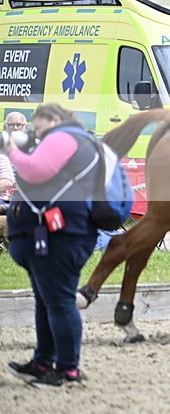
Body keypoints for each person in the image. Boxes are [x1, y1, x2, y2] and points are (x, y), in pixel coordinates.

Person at [4, 103, 100, 387]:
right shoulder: (72, 139)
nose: (36, 132)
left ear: (55, 120)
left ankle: (67, 370)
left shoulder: (64, 138)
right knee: (48, 301)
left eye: (39, 126)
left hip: (64, 233)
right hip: (58, 232)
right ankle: (43, 362)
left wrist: (12, 150)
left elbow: (35, 171)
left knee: (58, 301)